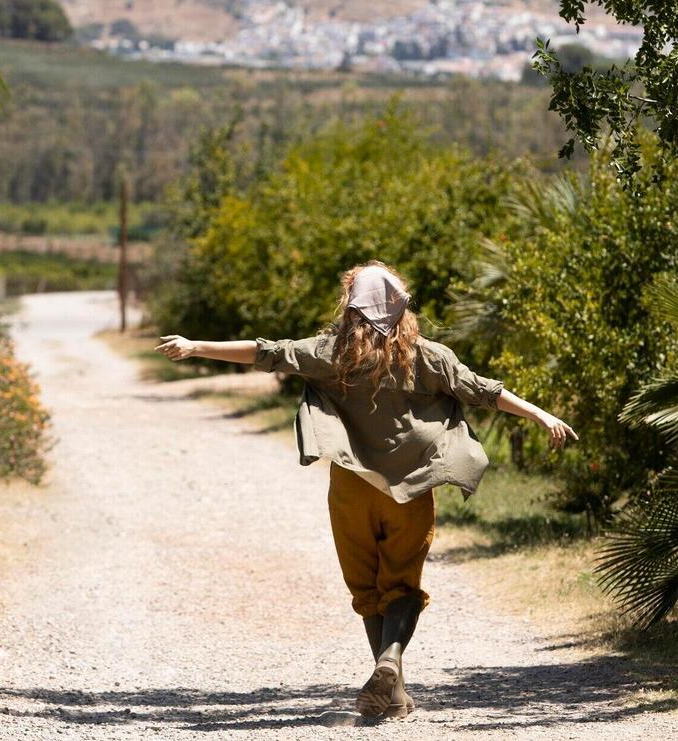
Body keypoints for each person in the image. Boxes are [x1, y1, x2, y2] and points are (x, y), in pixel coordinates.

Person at [156, 261, 576, 719]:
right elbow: (483, 391)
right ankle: (390, 663)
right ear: (402, 308)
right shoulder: (428, 355)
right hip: (410, 491)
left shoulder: (332, 353)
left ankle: (390, 690)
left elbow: (266, 352)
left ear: (351, 306)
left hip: (352, 489)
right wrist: (540, 415)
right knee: (401, 585)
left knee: (366, 587)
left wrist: (196, 345)